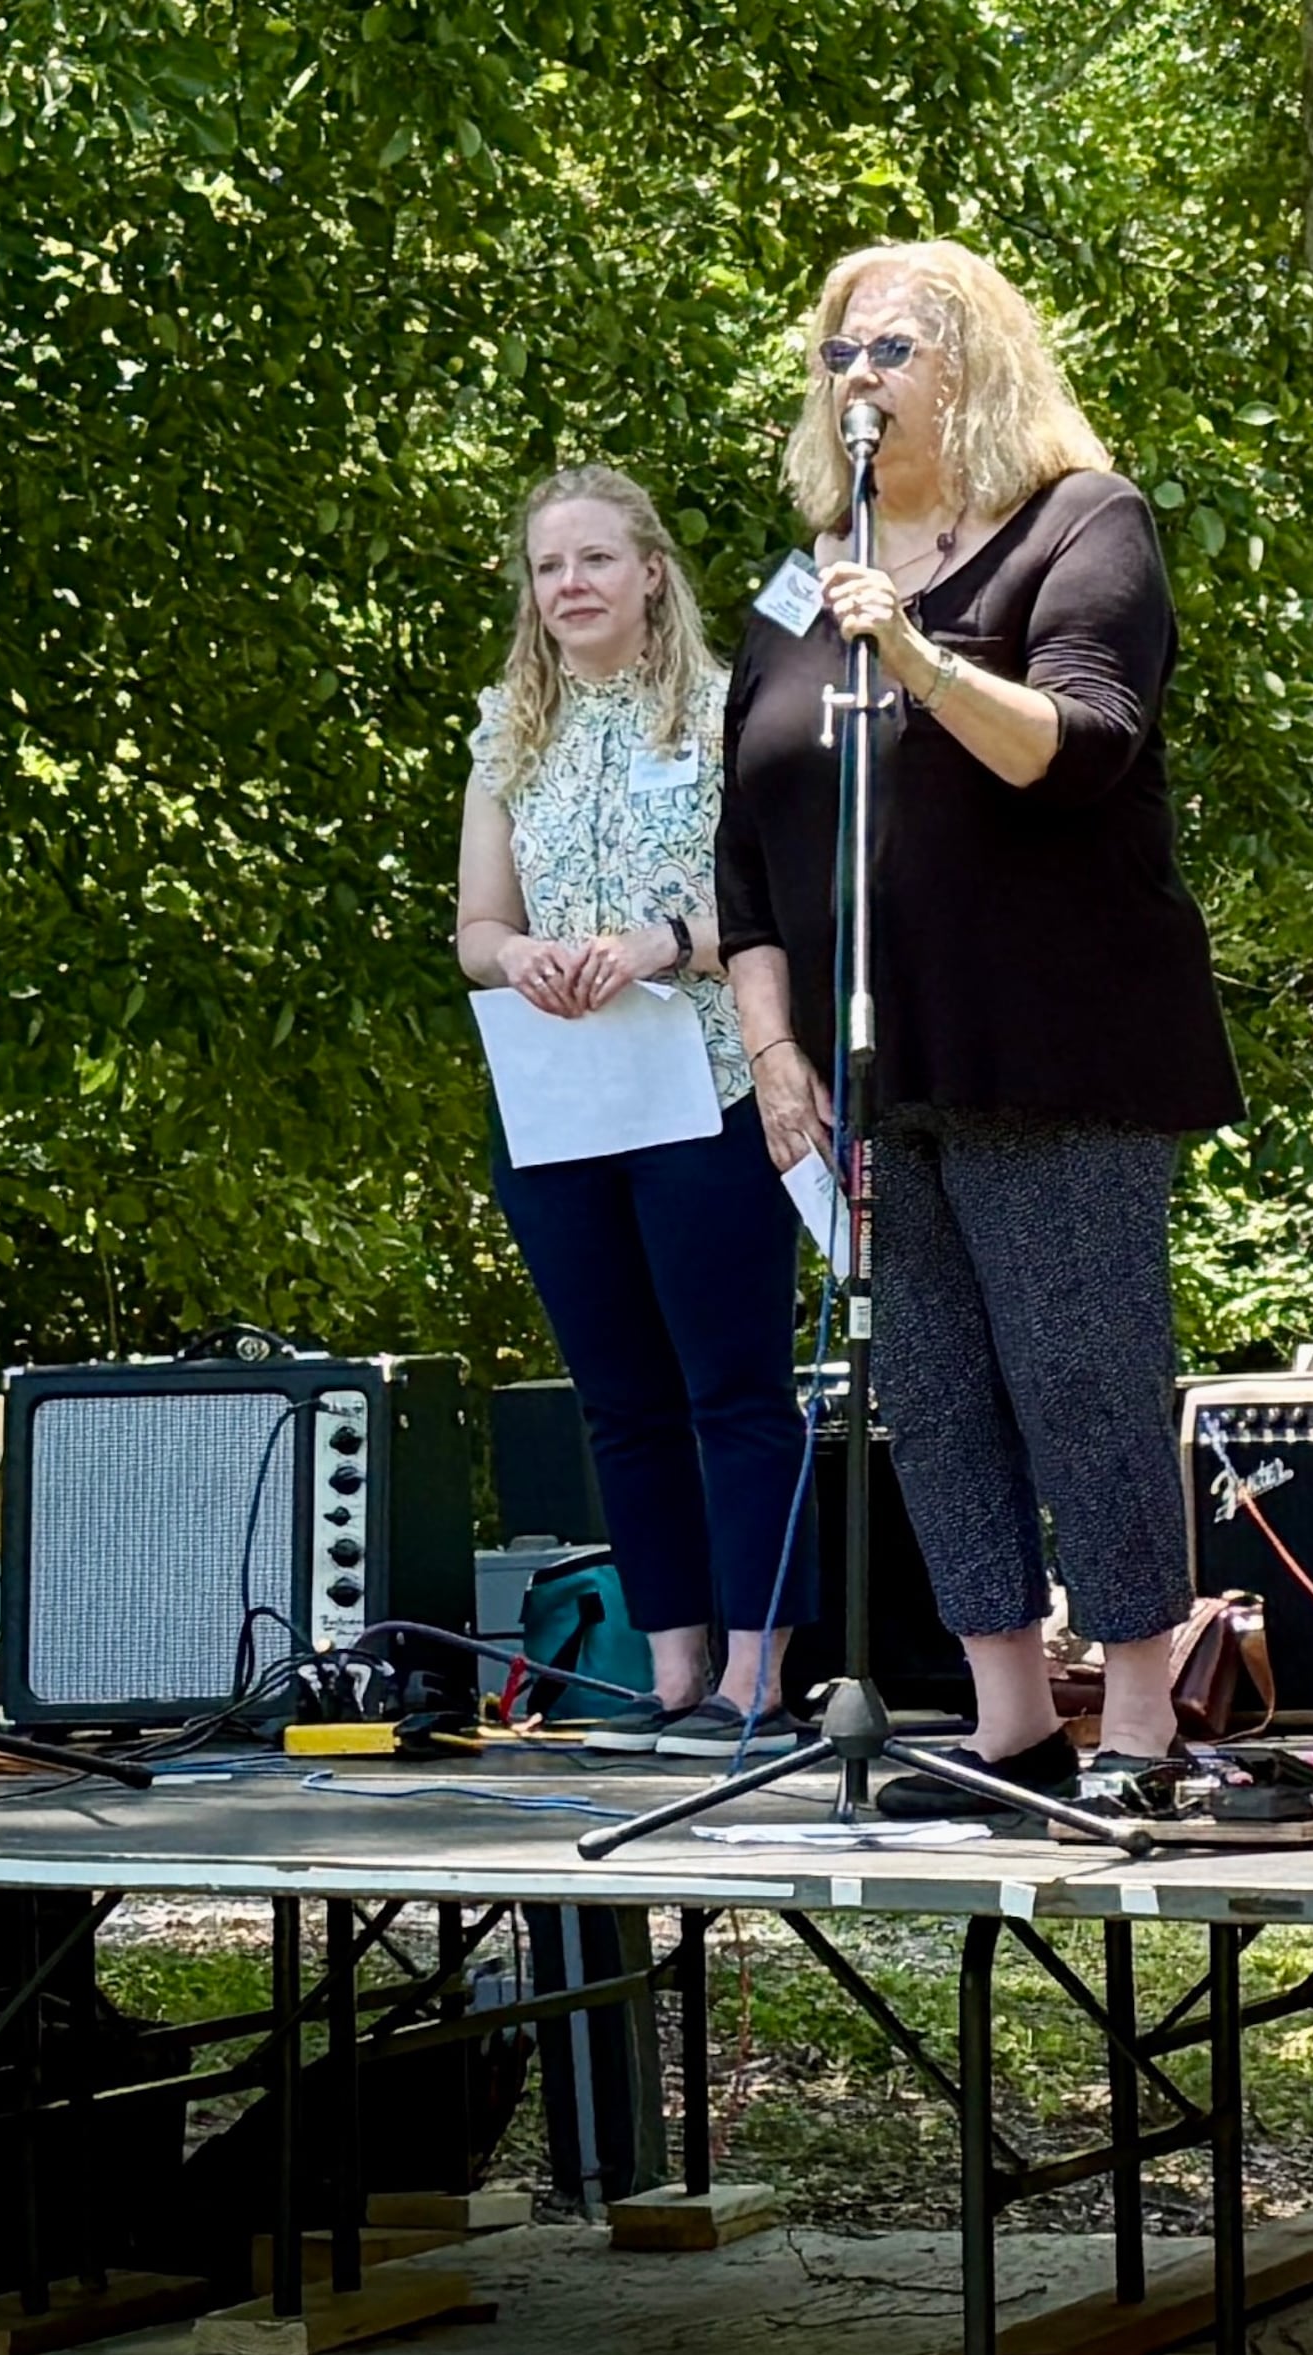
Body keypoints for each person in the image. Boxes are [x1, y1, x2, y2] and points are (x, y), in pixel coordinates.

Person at [713, 243, 1242, 1813]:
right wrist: (771, 1044)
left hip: (1056, 1043)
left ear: (976, 362)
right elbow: (743, 833)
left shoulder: (1087, 526)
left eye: (892, 345)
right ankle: (1009, 1721)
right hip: (883, 1065)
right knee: (931, 1389)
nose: (858, 376)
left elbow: (1080, 748)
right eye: (836, 353)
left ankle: (1141, 1725)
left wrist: (923, 657)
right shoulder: (813, 567)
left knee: (1082, 1373)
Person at [455, 465, 816, 1755]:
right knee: (618, 1397)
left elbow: (785, 903)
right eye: (549, 568)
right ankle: (671, 1670)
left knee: (734, 1387)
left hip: (709, 1082)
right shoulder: (509, 730)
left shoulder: (730, 714)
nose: (571, 588)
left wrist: (666, 939)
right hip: (562, 1104)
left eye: (596, 561)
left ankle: (758, 1676)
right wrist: (524, 957)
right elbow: (476, 930)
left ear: (651, 571)